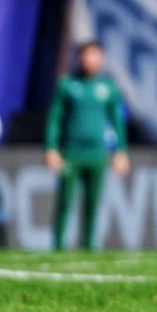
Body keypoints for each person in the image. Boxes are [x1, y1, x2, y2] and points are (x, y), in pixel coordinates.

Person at [45, 41, 130, 250]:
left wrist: (121, 151)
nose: (88, 59)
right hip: (71, 152)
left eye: (93, 55)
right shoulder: (67, 84)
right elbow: (55, 118)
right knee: (65, 201)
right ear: (79, 57)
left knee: (92, 204)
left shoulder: (107, 86)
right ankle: (57, 246)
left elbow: (117, 121)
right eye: (85, 55)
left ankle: (88, 246)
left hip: (97, 154)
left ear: (101, 58)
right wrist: (51, 147)